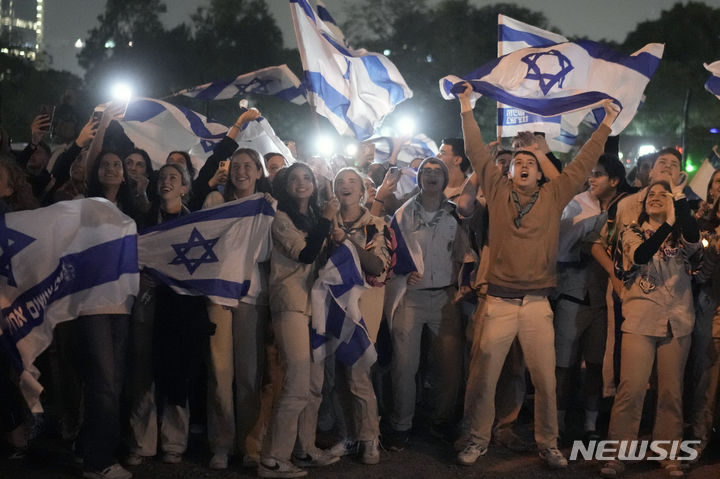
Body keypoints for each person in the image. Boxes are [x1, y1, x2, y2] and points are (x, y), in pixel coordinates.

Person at [455, 82, 617, 469]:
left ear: (540, 171)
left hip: (537, 305)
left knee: (545, 381)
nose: (524, 166)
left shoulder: (554, 194)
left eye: (530, 163)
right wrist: (465, 105)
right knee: (483, 378)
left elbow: (581, 164)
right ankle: (476, 439)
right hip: (498, 302)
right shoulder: (495, 191)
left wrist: (606, 121)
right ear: (507, 170)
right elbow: (476, 150)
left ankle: (548, 442)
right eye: (518, 163)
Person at [600, 180, 700, 478]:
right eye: (650, 196)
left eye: (662, 195)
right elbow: (641, 255)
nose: (655, 198)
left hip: (678, 319)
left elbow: (693, 240)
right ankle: (619, 454)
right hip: (641, 318)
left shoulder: (683, 233)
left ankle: (668, 454)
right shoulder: (631, 230)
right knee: (630, 389)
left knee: (671, 392)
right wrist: (668, 221)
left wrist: (679, 200)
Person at [385, 156, 475, 449]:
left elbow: (467, 253)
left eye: (438, 172)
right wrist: (402, 275)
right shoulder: (402, 214)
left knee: (450, 366)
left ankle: (441, 421)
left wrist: (464, 281)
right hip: (410, 298)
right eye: (427, 171)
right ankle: (401, 424)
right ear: (420, 177)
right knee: (404, 366)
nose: (432, 176)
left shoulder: (456, 215)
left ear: (446, 179)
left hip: (445, 298)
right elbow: (391, 254)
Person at [258, 163, 340, 478]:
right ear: (285, 185)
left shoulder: (314, 216)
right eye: (294, 178)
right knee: (296, 380)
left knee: (313, 383)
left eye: (307, 177)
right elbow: (304, 254)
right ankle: (272, 458)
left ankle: (303, 449)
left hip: (314, 304)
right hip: (291, 302)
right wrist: (326, 220)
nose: (302, 182)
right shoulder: (280, 218)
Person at [126, 163, 208, 466]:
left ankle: (174, 440)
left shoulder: (195, 225)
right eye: (162, 178)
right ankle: (142, 441)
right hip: (148, 302)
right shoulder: (143, 221)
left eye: (174, 178)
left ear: (184, 188)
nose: (167, 182)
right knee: (143, 373)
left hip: (180, 306)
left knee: (178, 370)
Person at [202, 147, 274, 470]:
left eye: (248, 166)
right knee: (219, 372)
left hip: (252, 296)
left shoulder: (269, 206)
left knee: (249, 375)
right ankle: (221, 443)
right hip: (218, 295)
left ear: (259, 172)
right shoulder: (215, 202)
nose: (241, 171)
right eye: (236, 166)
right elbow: (206, 244)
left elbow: (266, 252)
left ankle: (250, 443)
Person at [553, 154, 626, 441]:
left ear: (615, 181)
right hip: (572, 294)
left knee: (596, 365)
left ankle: (591, 426)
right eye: (590, 174)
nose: (591, 179)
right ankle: (557, 425)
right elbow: (561, 248)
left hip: (603, 300)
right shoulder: (576, 203)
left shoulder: (623, 208)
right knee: (564, 365)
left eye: (598, 174)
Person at [325, 168, 392, 465]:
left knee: (358, 373)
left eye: (352, 181)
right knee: (337, 375)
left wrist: (348, 242)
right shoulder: (325, 222)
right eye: (339, 182)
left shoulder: (374, 225)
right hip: (330, 306)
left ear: (363, 191)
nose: (345, 186)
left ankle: (369, 437)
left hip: (363, 308)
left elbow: (377, 266)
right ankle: (348, 435)